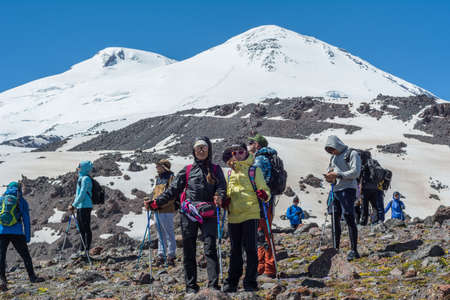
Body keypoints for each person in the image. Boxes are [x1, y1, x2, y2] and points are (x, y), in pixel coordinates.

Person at [145, 137, 227, 294]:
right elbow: (173, 190)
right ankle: (191, 286)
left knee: (210, 248)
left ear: (209, 149)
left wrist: (219, 196)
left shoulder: (216, 170)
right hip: (188, 214)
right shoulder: (187, 170)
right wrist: (156, 203)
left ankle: (213, 285)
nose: (201, 150)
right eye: (198, 148)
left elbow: (222, 187)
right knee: (189, 250)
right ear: (194, 151)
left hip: (209, 213)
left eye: (203, 147)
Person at [221, 143, 270, 293]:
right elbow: (228, 192)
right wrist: (225, 201)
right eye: (234, 153)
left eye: (240, 152)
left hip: (250, 212)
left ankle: (250, 281)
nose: (237, 155)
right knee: (235, 250)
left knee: (250, 248)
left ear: (246, 153)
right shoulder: (229, 172)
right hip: (234, 215)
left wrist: (264, 194)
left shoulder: (254, 170)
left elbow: (265, 190)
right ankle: (232, 282)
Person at [0, 182, 44, 291]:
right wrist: (27, 237)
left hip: (2, 232)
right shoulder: (21, 201)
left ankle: (2, 280)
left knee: (1, 256)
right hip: (17, 232)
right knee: (25, 255)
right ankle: (32, 277)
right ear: (18, 189)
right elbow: (26, 220)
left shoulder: (1, 199)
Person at [324, 135, 361, 261]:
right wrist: (330, 177)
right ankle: (335, 249)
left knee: (349, 216)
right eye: (329, 150)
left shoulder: (352, 154)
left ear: (337, 145)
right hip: (336, 190)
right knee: (335, 217)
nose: (331, 152)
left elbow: (356, 172)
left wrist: (338, 175)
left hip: (348, 189)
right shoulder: (333, 158)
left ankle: (354, 250)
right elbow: (331, 170)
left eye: (332, 149)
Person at [247, 133, 277, 278]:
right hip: (267, 200)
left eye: (251, 142)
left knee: (263, 233)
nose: (249, 145)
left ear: (257, 145)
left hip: (262, 201)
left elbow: (255, 182)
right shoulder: (267, 157)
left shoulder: (259, 159)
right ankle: (263, 265)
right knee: (262, 233)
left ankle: (268, 267)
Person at [150, 159, 177, 267]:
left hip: (166, 209)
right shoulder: (158, 179)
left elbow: (172, 196)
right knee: (160, 232)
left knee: (169, 232)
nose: (156, 168)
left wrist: (160, 204)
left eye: (158, 166)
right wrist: (151, 203)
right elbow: (155, 194)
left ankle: (171, 255)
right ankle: (161, 254)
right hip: (157, 209)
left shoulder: (171, 178)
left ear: (164, 167)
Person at [68, 161, 93, 255]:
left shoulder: (85, 179)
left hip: (85, 206)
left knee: (86, 228)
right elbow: (78, 194)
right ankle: (82, 249)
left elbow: (82, 194)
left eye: (79, 167)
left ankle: (86, 250)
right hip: (80, 206)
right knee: (82, 228)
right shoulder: (81, 178)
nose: (77, 168)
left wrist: (74, 205)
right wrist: (75, 205)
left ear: (83, 168)